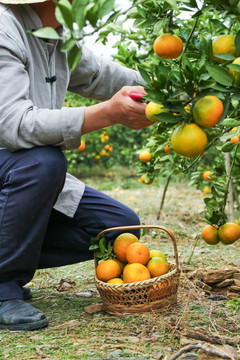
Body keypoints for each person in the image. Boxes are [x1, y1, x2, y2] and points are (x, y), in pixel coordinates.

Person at [0, 0, 152, 331]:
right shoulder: (4, 28)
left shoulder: (56, 37)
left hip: (25, 172)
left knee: (117, 228)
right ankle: (3, 287)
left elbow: (102, 75)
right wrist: (108, 113)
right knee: (45, 159)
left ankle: (6, 260)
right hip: (15, 165)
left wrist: (164, 91)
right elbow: (13, 125)